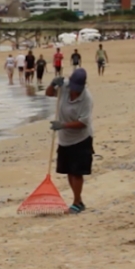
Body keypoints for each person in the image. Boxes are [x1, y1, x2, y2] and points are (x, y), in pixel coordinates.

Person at [46, 69, 94, 214]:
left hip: (81, 139)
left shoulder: (87, 98)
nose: (74, 90)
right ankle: (77, 201)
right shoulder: (64, 87)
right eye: (73, 86)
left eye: (77, 88)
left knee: (76, 171)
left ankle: (77, 202)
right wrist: (53, 83)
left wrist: (63, 125)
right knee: (69, 170)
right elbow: (48, 93)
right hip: (65, 139)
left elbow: (83, 122)